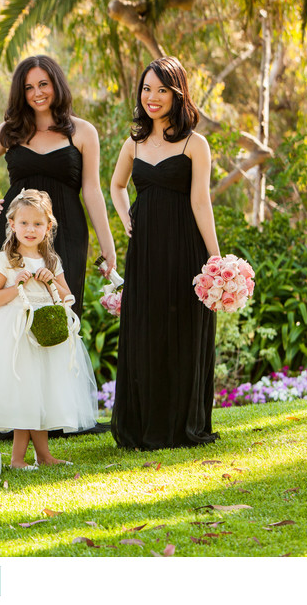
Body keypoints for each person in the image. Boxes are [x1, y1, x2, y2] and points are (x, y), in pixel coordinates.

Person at [109, 56, 220, 451]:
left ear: (178, 94)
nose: (152, 98)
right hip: (145, 249)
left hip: (185, 247)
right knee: (147, 329)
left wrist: (216, 261)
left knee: (185, 330)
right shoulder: (133, 143)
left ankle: (181, 426)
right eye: (146, 89)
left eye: (161, 90)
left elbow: (201, 202)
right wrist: (125, 218)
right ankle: (143, 427)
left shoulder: (195, 144)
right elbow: (116, 186)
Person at [0, 55, 116, 318]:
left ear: (56, 85)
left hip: (67, 230)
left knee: (62, 311)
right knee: (13, 308)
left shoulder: (82, 132)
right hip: (16, 234)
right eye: (28, 87)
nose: (37, 93)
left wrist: (107, 243)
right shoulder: (10, 130)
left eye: (43, 84)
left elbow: (92, 190)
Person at [0, 190, 98, 469]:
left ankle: (44, 456)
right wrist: (14, 286)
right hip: (16, 334)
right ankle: (18, 458)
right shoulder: (5, 260)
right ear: (13, 224)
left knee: (40, 392)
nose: (31, 229)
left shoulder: (51, 261)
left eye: (38, 224)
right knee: (24, 392)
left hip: (46, 333)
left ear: (48, 227)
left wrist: (51, 280)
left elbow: (67, 298)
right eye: (24, 223)